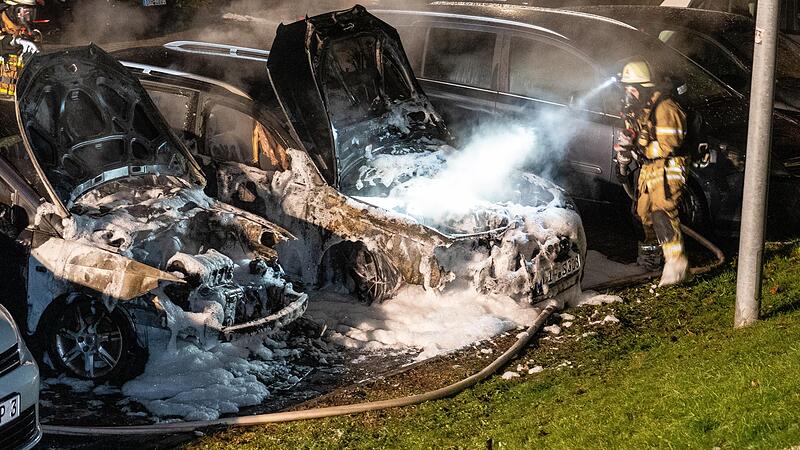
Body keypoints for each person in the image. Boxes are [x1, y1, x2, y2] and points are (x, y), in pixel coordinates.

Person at [616, 59, 690, 287]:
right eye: (627, 89)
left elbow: (670, 144)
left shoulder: (665, 108)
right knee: (643, 214)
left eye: (633, 88)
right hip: (651, 168)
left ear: (645, 87)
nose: (629, 94)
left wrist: (638, 145)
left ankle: (676, 263)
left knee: (662, 213)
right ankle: (650, 260)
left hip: (669, 167)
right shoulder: (643, 109)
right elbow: (640, 137)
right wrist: (626, 147)